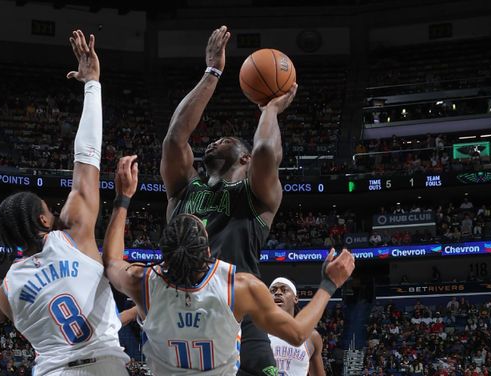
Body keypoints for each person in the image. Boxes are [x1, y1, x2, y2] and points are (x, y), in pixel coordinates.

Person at [104, 155, 354, 376]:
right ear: (209, 251)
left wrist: (122, 199)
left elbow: (112, 261)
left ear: (164, 255)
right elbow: (298, 333)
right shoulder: (238, 286)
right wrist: (328, 284)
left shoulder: (143, 281)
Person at [160, 25, 298, 375]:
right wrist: (212, 72)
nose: (212, 142)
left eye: (224, 140)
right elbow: (175, 139)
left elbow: (267, 148)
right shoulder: (183, 190)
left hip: (243, 318)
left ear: (244, 159)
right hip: (185, 315)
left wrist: (269, 109)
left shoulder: (256, 196)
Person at [0, 30, 129, 376]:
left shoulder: (5, 293)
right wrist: (92, 84)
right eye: (49, 210)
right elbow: (87, 157)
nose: (55, 213)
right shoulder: (72, 235)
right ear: (42, 220)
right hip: (104, 367)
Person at [269, 277, 326, 376]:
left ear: (295, 298)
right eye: (273, 290)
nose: (277, 293)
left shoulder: (311, 336)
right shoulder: (255, 332)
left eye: (284, 290)